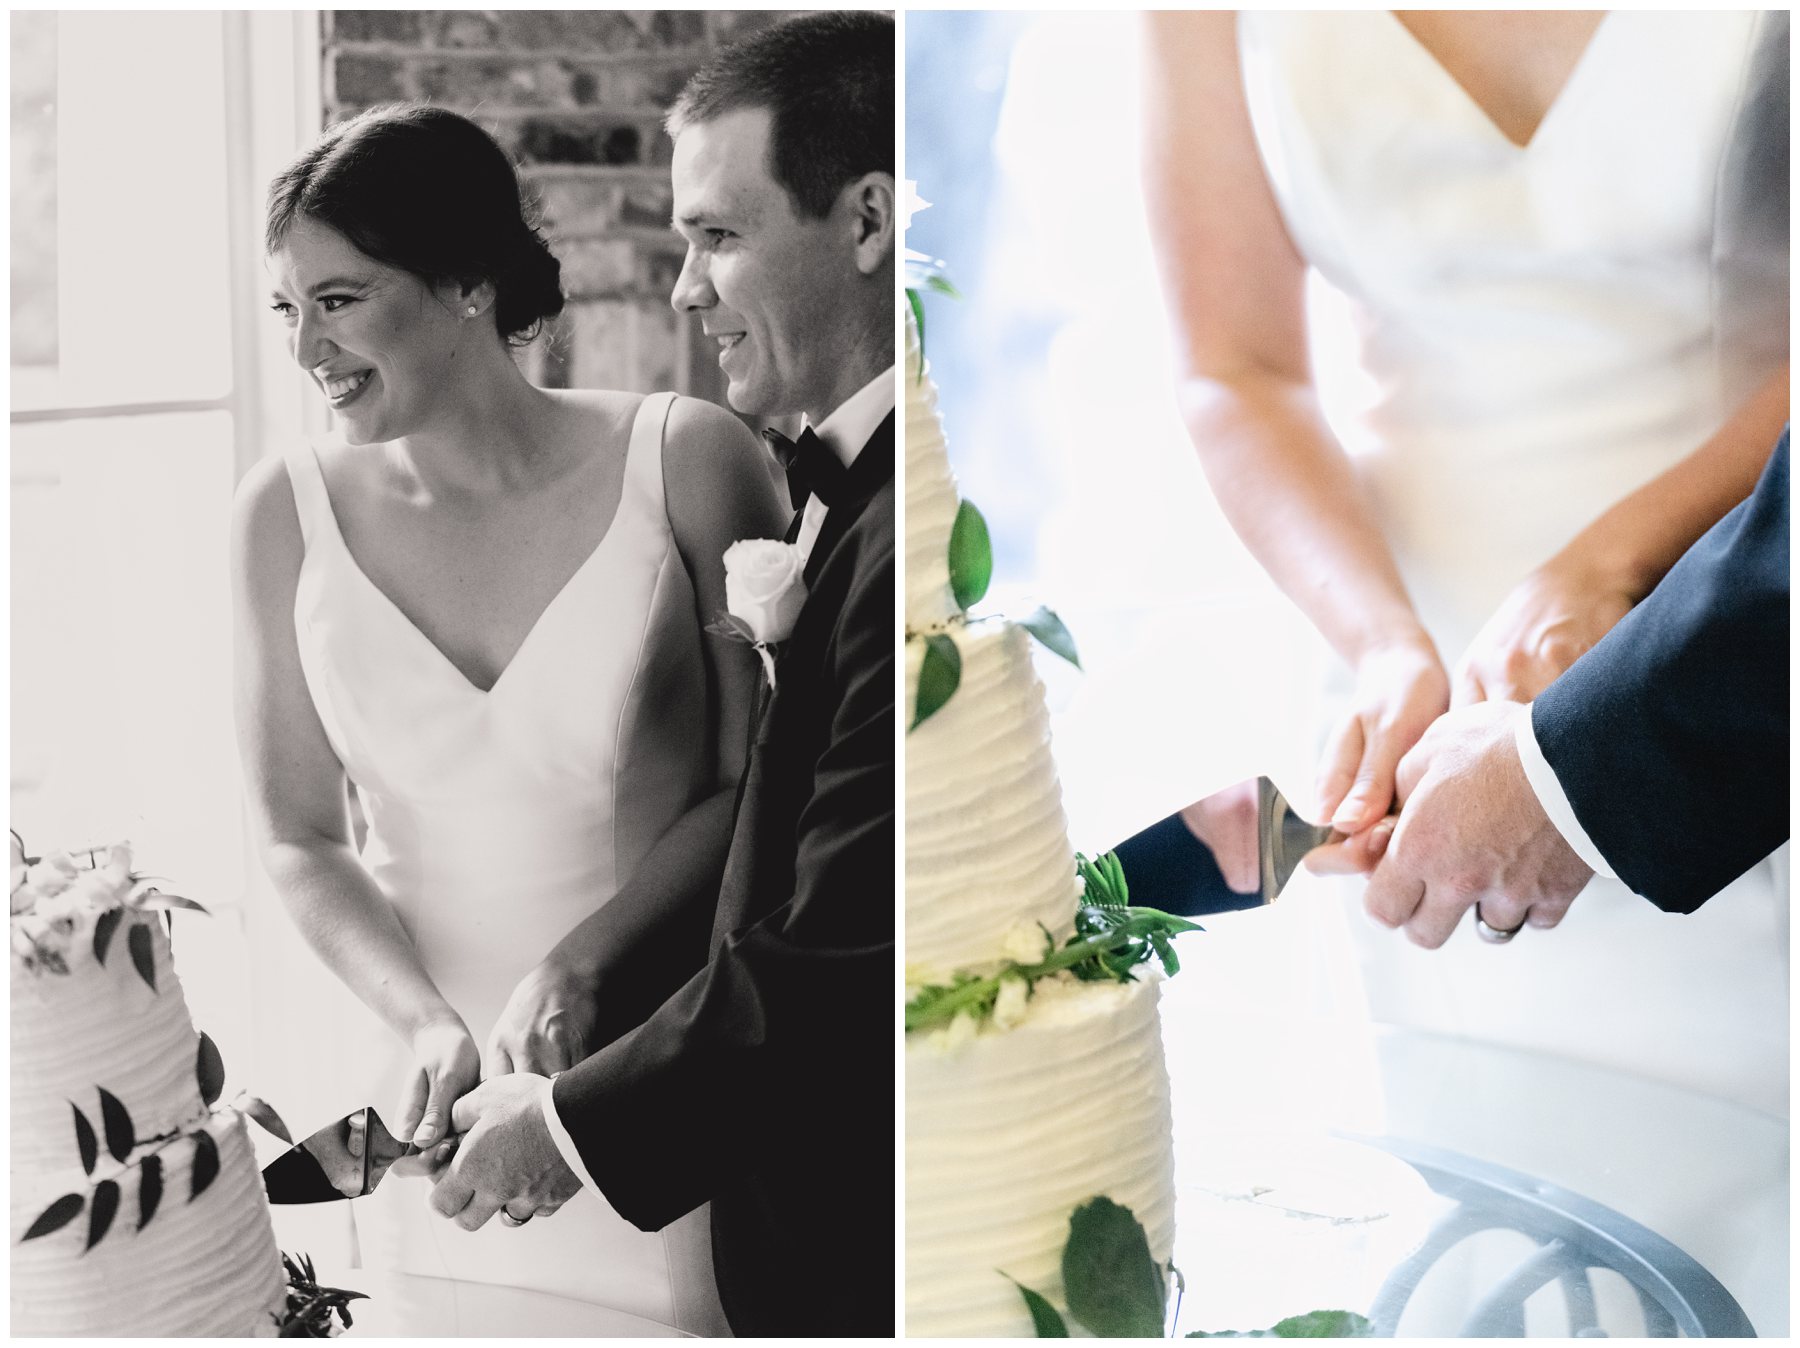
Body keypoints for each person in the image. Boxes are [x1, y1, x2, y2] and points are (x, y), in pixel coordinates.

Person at [1142, 11, 1788, 1110]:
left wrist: (1607, 565)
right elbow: (1237, 367)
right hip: (1421, 708)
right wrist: (1384, 643)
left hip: (1746, 626)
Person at [232, 102, 788, 1334]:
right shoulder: (283, 512)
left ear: (469, 282)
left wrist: (583, 960)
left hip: (652, 1114)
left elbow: (758, 792)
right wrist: (423, 1017)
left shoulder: (688, 460)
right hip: (425, 1131)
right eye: (289, 309)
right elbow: (298, 835)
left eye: (340, 299)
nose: (307, 348)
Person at [427, 12, 896, 1338]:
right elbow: (779, 856)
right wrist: (593, 987)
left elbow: (842, 957)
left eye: (717, 235)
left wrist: (567, 1129)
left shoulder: (906, 525)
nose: (683, 289)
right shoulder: (835, 492)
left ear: (868, 223)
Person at [1360, 430, 1788, 944]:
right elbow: (1246, 374)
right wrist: (1382, 644)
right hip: (1421, 663)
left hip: (1698, 601)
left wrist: (1555, 767)